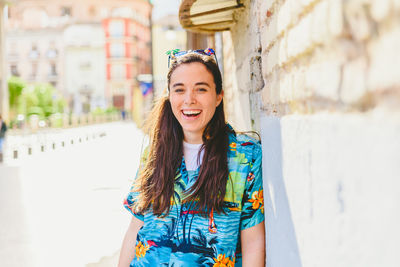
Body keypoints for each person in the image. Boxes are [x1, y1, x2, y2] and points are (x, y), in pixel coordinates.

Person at [118, 49, 265, 267]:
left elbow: (253, 242)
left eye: (201, 89)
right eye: (179, 90)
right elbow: (135, 227)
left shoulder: (245, 157)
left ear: (218, 97)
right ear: (170, 97)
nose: (189, 99)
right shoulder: (154, 153)